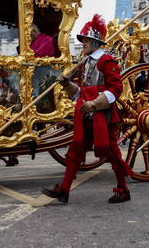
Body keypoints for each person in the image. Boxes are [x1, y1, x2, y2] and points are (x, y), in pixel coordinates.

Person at [41, 14, 131, 204]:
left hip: (103, 115)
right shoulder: (85, 63)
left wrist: (95, 103)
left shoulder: (107, 61)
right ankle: (64, 190)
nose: (83, 44)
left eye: (86, 41)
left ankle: (123, 189)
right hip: (85, 113)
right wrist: (66, 84)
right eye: (82, 42)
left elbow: (116, 89)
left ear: (94, 42)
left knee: (111, 151)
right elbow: (81, 92)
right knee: (75, 150)